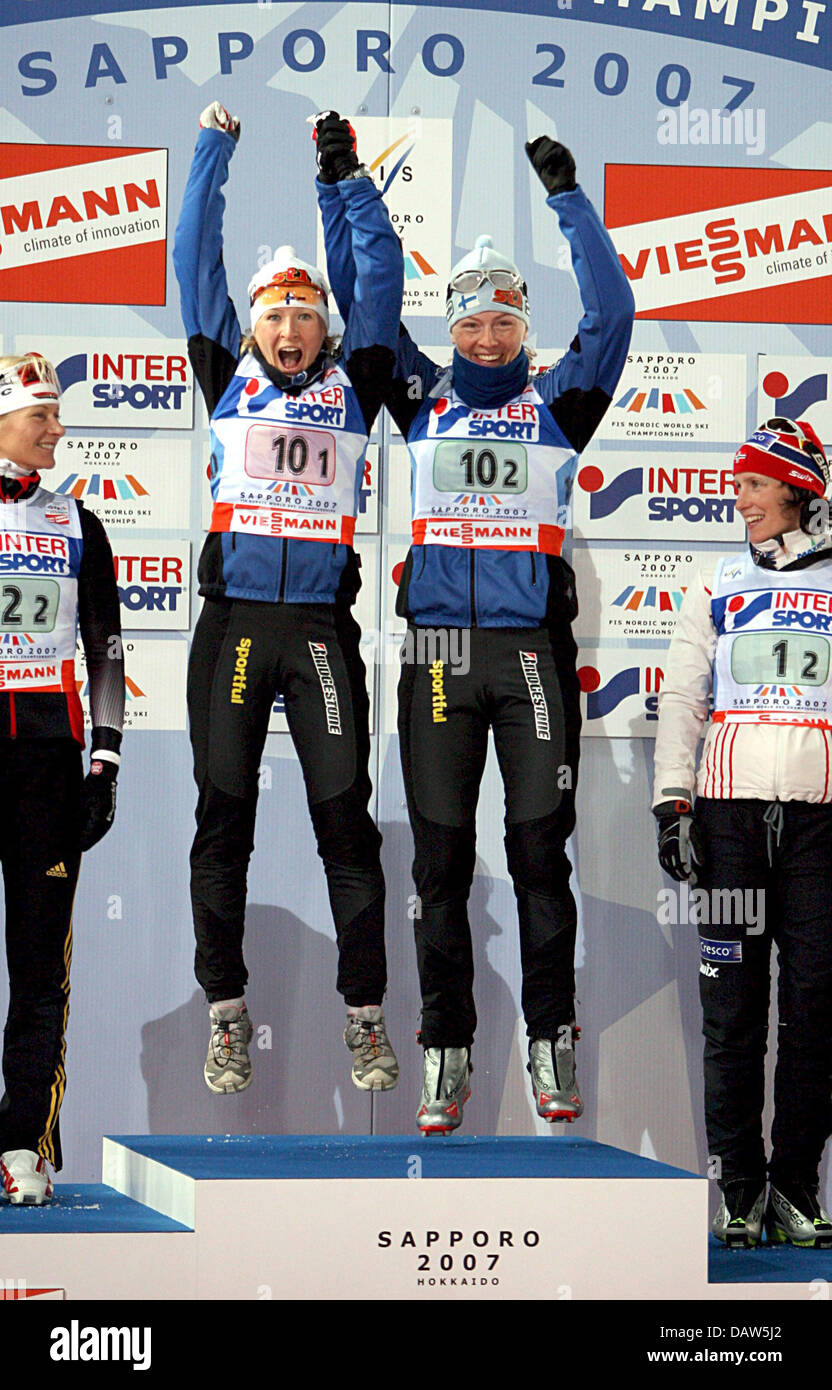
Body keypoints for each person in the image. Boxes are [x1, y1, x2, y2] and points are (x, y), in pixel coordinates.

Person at [322, 131, 634, 1133]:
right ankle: (445, 1051)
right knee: (439, 868)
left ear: (519, 326)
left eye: (503, 320)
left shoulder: (560, 402)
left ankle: (551, 1039)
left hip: (530, 654)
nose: (489, 337)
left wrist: (568, 197)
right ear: (452, 325)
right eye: (473, 320)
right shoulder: (418, 395)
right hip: (441, 659)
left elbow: (614, 311)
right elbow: (367, 308)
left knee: (542, 855)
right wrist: (348, 185)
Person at [173, 104, 403, 1098]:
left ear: (324, 327)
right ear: (255, 324)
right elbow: (193, 252)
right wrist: (214, 150)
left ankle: (365, 1018)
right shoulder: (223, 367)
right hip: (231, 628)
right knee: (222, 821)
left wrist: (344, 178)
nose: (290, 326)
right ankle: (227, 1014)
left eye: (306, 312)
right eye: (276, 312)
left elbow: (382, 274)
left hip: (317, 633)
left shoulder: (358, 379)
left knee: (343, 821)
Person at [653, 417, 832, 1248]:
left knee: (815, 1013)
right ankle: (739, 1191)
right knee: (731, 1016)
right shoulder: (717, 582)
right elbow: (685, 699)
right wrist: (671, 804)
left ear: (799, 490)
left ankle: (795, 1188)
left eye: (756, 484)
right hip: (727, 826)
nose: (741, 497)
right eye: (739, 483)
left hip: (820, 828)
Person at [0, 353, 124, 1205]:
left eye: (58, 411)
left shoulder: (78, 520)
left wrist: (105, 760)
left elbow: (108, 649)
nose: (57, 428)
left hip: (46, 761)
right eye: (40, 414)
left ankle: (22, 1147)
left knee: (41, 965)